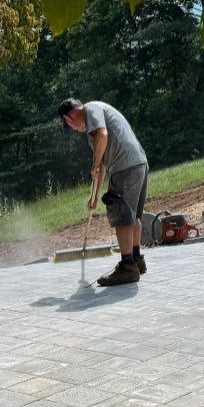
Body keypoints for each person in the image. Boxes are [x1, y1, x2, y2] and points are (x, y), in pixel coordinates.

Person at [57, 98, 149, 287]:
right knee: (133, 216)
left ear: (68, 118)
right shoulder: (97, 118)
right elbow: (100, 168)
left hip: (124, 166)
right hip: (138, 163)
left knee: (121, 215)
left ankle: (128, 267)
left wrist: (95, 163)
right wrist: (94, 196)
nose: (75, 129)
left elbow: (103, 136)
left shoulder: (90, 110)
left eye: (70, 126)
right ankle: (136, 259)